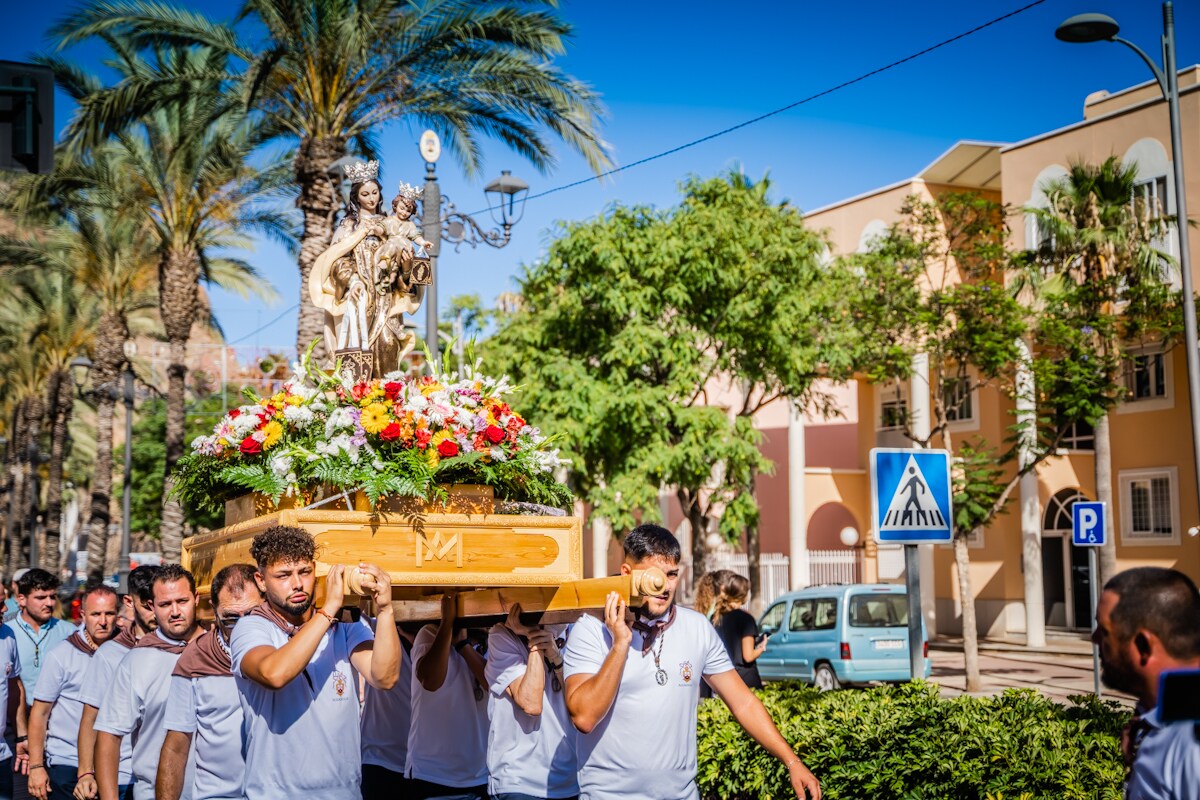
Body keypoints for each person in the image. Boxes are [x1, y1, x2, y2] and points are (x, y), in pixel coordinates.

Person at [563, 524, 821, 800]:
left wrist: (792, 761)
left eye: (672, 575)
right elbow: (584, 717)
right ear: (627, 573)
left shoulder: (697, 627)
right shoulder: (590, 627)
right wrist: (620, 644)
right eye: (655, 576)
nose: (664, 587)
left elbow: (743, 702)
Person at [230, 525, 398, 800]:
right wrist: (328, 610)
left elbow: (385, 677)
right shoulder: (251, 628)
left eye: (304, 572)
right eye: (283, 575)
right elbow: (275, 674)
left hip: (344, 793)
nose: (297, 584)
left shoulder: (346, 627)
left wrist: (386, 609)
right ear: (260, 581)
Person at [93, 565, 202, 800]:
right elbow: (108, 736)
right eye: (164, 604)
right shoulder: (136, 660)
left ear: (196, 599)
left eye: (182, 601)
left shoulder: (218, 649)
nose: (175, 611)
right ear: (152, 607)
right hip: (151, 792)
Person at [1092, 567, 1200, 800]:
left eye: (1104, 632)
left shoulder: (1191, 744)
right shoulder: (1164, 718)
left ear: (1143, 645)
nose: (1094, 639)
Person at [308, 160, 424, 377]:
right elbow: (336, 261)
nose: (371, 199)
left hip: (385, 301)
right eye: (365, 194)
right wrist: (352, 280)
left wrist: (407, 267)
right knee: (355, 357)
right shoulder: (348, 226)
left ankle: (388, 403)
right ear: (356, 197)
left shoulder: (390, 224)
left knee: (389, 346)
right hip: (358, 302)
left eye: (374, 193)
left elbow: (400, 269)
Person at [157, 564, 262, 800]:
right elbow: (176, 746)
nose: (244, 627)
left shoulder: (287, 650)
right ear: (214, 609)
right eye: (232, 619)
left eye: (253, 615)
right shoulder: (195, 658)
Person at [27, 585, 120, 800]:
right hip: (66, 762)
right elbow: (40, 713)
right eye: (96, 614)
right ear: (83, 615)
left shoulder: (128, 651)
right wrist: (36, 766)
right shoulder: (62, 654)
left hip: (114, 764)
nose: (103, 621)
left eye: (109, 613)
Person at [75, 565, 159, 800]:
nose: (155, 613)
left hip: (163, 776)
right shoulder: (110, 654)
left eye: (158, 603)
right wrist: (85, 773)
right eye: (147, 605)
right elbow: (90, 718)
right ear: (130, 603)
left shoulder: (181, 649)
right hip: (121, 777)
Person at [485, 605, 576, 800]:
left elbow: (580, 705)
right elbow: (531, 703)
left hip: (569, 782)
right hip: (520, 782)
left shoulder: (579, 632)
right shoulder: (501, 635)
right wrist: (535, 638)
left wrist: (555, 656)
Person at [407, 594, 489, 799]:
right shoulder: (429, 633)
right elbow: (430, 680)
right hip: (433, 774)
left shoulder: (491, 641)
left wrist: (464, 646)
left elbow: (494, 685)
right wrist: (447, 624)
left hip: (478, 775)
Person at [358, 619, 417, 800]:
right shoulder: (381, 629)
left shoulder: (441, 641)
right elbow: (358, 611)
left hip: (424, 766)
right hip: (379, 758)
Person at [4, 569, 74, 706]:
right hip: (13, 721)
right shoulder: (6, 633)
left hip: (56, 721)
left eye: (52, 597)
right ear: (22, 600)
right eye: (41, 598)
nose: (49, 603)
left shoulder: (70, 632)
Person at [707, 571, 765, 691]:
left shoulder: (715, 617)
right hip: (746, 681)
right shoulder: (746, 619)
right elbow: (748, 657)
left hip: (724, 681)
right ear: (744, 595)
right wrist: (761, 648)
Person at [0, 610, 26, 800]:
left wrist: (21, 736)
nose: (5, 609)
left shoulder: (7, 634)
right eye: (0, 603)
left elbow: (14, 687)